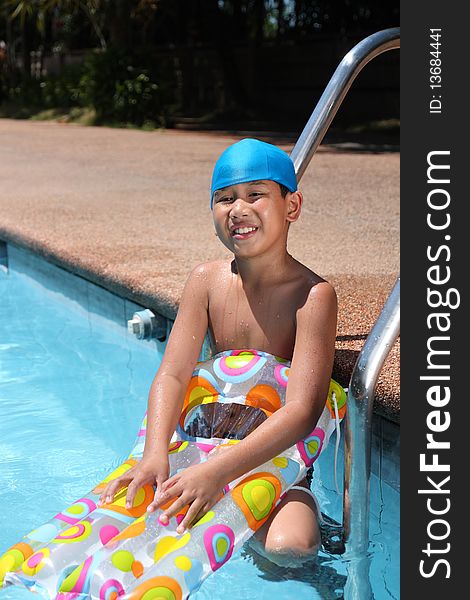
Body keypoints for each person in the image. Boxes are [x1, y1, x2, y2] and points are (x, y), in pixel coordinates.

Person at [99, 137, 338, 566]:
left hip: (273, 465)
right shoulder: (205, 282)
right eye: (224, 198)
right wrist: (155, 453)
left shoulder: (313, 296)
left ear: (292, 206)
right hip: (200, 449)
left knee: (291, 548)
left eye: (256, 195)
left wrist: (219, 474)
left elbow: (302, 411)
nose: (238, 209)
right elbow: (173, 374)